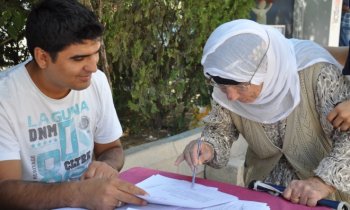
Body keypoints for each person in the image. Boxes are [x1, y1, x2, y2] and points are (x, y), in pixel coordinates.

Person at [175, 19, 350, 207]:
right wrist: (208, 147)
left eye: (241, 86)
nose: (231, 96)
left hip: (325, 199)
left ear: (268, 71)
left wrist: (323, 182)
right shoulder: (227, 84)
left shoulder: (317, 74)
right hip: (262, 194)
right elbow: (220, 131)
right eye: (223, 86)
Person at [0, 0, 147, 209]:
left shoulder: (96, 82)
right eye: (79, 58)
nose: (92, 67)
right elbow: (5, 192)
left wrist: (106, 166)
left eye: (95, 52)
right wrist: (77, 193)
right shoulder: (5, 98)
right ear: (42, 57)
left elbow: (113, 149)